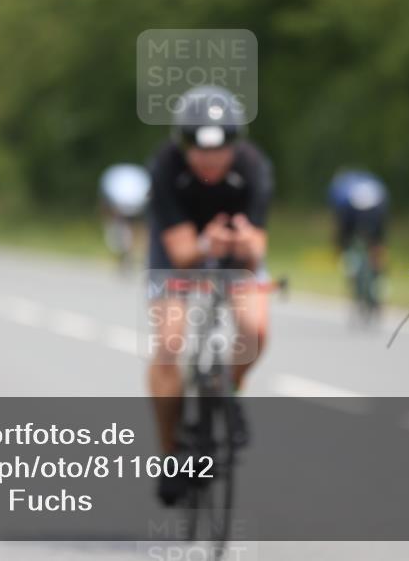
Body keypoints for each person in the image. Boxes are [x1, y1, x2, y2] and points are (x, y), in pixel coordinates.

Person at [145, 85, 274, 506]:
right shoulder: (164, 169)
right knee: (169, 346)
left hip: (234, 259)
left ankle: (228, 390)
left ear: (236, 145)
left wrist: (243, 245)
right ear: (182, 145)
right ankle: (170, 456)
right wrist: (206, 245)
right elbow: (181, 253)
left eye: (220, 149)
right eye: (197, 148)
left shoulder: (254, 167)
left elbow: (257, 252)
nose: (209, 160)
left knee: (254, 329)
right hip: (178, 255)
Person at [327, 168, 389, 318]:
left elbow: (342, 227)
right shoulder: (374, 186)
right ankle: (378, 282)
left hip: (357, 215)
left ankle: (366, 280)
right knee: (377, 249)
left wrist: (341, 246)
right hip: (376, 211)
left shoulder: (342, 193)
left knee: (352, 255)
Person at [98, 163, 151, 271]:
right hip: (123, 218)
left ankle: (128, 259)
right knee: (122, 239)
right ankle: (125, 259)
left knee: (128, 238)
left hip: (129, 217)